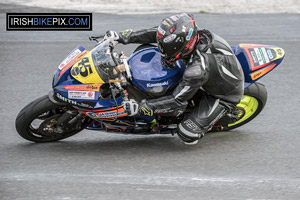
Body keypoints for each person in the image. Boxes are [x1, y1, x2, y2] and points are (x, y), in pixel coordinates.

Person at [105, 13, 244, 144]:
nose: (162, 51)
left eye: (167, 49)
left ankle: (206, 122)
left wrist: (143, 107)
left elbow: (177, 101)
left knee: (187, 133)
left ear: (182, 48)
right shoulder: (189, 34)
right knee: (147, 51)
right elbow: (156, 34)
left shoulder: (197, 70)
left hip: (222, 95)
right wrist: (122, 37)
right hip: (211, 71)